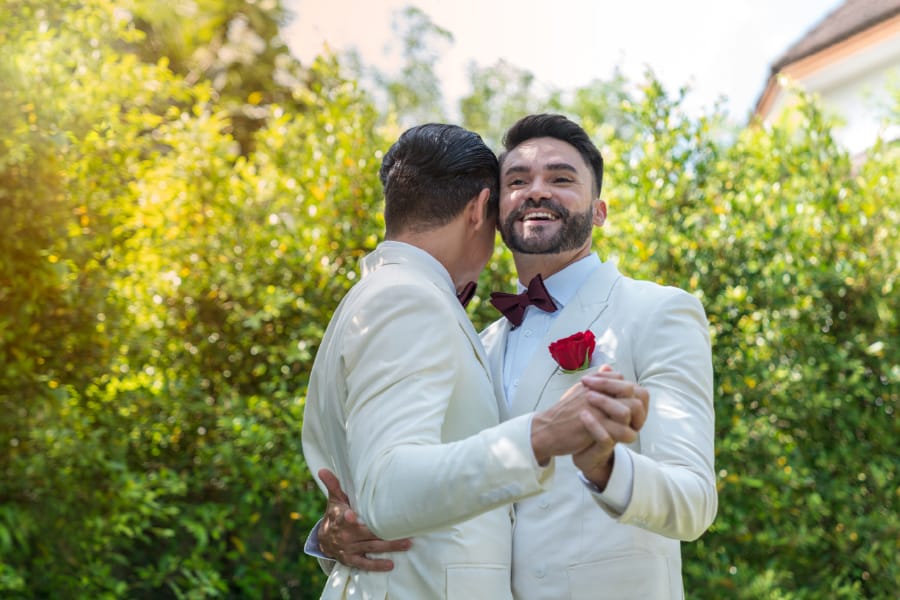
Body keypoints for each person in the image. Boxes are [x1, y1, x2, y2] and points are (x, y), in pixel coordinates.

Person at [313, 114, 717, 599]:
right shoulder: (473, 341)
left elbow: (695, 501)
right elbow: (422, 479)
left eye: (561, 178)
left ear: (599, 211)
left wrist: (607, 468)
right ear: (489, 209)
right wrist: (336, 532)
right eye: (518, 180)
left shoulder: (658, 312)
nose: (536, 191)